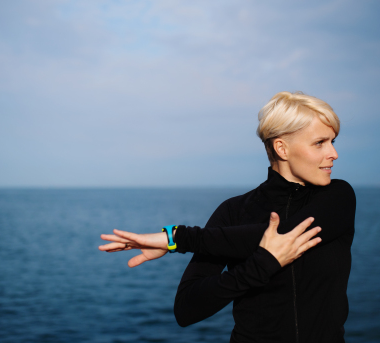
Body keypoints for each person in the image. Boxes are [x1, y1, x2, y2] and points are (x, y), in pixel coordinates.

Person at [99, 91, 356, 343]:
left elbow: (286, 233)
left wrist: (175, 238)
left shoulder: (338, 196)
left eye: (333, 141)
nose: (333, 153)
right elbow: (186, 310)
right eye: (320, 142)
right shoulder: (234, 212)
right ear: (282, 148)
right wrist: (261, 266)